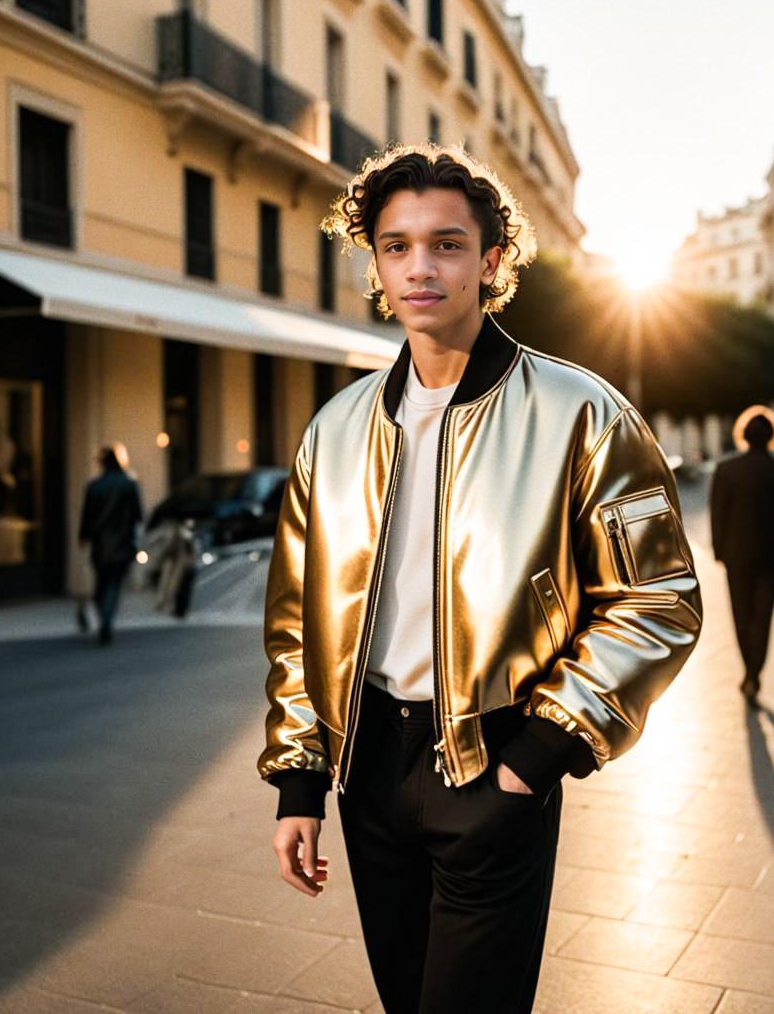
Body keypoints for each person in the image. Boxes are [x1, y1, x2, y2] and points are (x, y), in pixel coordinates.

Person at [256, 144, 702, 1014]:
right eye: (396, 246)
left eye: (447, 244)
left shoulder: (585, 413)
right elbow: (295, 625)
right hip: (369, 773)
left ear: (493, 260)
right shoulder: (336, 429)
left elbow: (656, 599)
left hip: (494, 767)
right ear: (376, 263)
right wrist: (299, 782)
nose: (419, 267)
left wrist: (534, 759)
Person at [710, 406, 774, 704]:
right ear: (772, 437)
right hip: (772, 556)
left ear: (743, 435)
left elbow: (718, 514)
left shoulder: (726, 470)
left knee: (741, 617)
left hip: (736, 556)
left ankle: (750, 672)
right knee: (762, 619)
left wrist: (719, 550)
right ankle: (754, 674)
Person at [77, 443, 143, 646]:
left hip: (101, 544)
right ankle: (106, 620)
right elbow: (138, 516)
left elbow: (86, 516)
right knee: (113, 585)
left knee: (102, 583)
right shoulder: (129, 485)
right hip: (122, 542)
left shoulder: (95, 487)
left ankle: (104, 618)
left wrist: (84, 537)